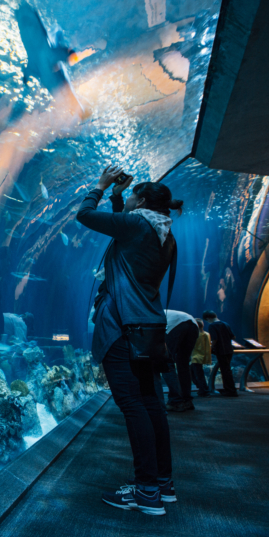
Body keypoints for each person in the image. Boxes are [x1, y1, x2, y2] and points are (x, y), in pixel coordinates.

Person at [77, 164, 181, 516]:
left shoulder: (136, 224)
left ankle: (146, 492)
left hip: (122, 326)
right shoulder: (164, 234)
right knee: (151, 403)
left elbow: (85, 215)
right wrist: (120, 196)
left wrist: (102, 185)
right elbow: (123, 229)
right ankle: (161, 485)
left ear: (143, 201)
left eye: (133, 195)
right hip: (149, 328)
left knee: (132, 405)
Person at [163, 309, 200, 412]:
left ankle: (176, 401)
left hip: (174, 325)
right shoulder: (164, 311)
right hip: (193, 324)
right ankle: (187, 400)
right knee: (183, 364)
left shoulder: (148, 313)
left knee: (166, 362)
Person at [202, 310, 237, 396]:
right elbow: (233, 336)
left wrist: (211, 348)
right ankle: (231, 390)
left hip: (221, 351)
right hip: (229, 350)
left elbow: (214, 339)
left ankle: (230, 391)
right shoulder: (225, 324)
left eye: (207, 320)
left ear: (208, 318)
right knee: (227, 370)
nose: (207, 322)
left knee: (225, 371)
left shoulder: (212, 326)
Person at [190, 319, 212, 397]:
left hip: (195, 358)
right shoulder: (207, 334)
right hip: (200, 357)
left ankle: (204, 390)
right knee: (197, 375)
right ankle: (202, 389)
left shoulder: (194, 335)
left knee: (197, 375)